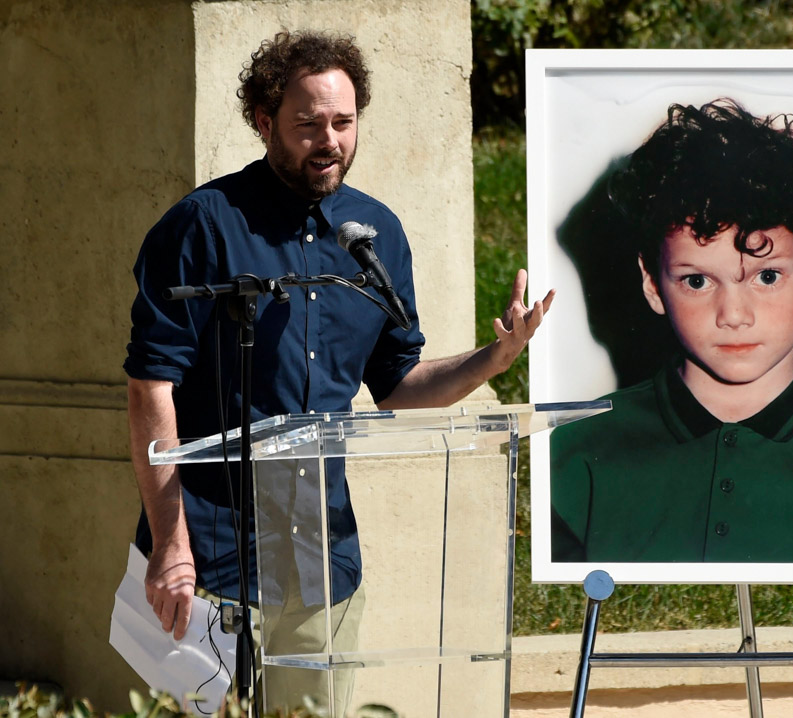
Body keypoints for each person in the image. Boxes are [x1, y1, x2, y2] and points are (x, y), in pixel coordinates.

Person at [124, 29, 553, 709]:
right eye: (308, 124)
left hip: (320, 560)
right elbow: (152, 388)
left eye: (344, 122)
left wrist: (492, 358)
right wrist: (170, 543)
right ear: (264, 123)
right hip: (209, 556)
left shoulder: (373, 235)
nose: (330, 140)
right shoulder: (203, 226)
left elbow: (397, 386)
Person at [550, 99, 793, 565]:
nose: (733, 315)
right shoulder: (572, 458)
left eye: (766, 276)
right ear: (652, 284)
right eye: (697, 281)